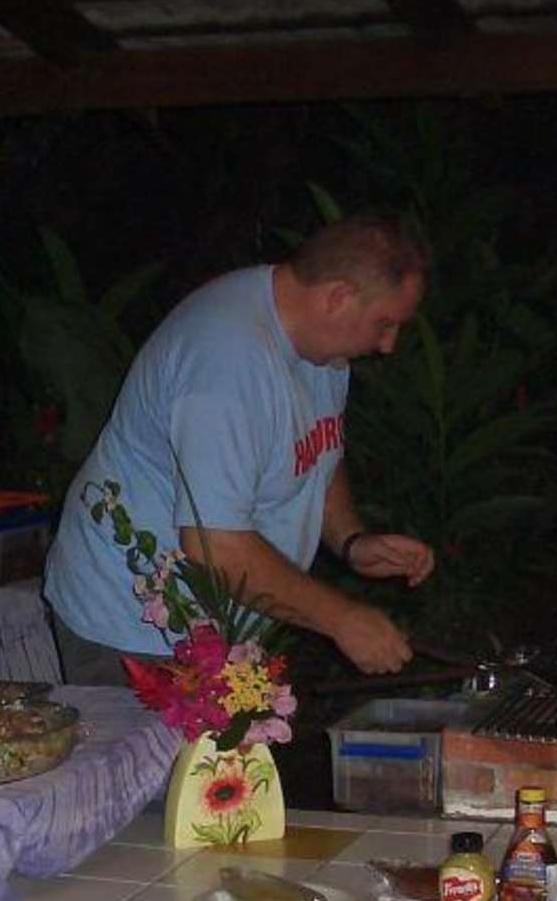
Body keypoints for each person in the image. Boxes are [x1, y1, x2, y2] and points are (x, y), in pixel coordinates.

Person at [45, 213, 437, 686]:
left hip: (221, 619)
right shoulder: (225, 364)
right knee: (149, 742)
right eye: (384, 324)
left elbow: (318, 449)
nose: (389, 345)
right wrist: (342, 619)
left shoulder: (321, 345)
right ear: (338, 297)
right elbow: (216, 546)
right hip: (129, 620)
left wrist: (351, 540)